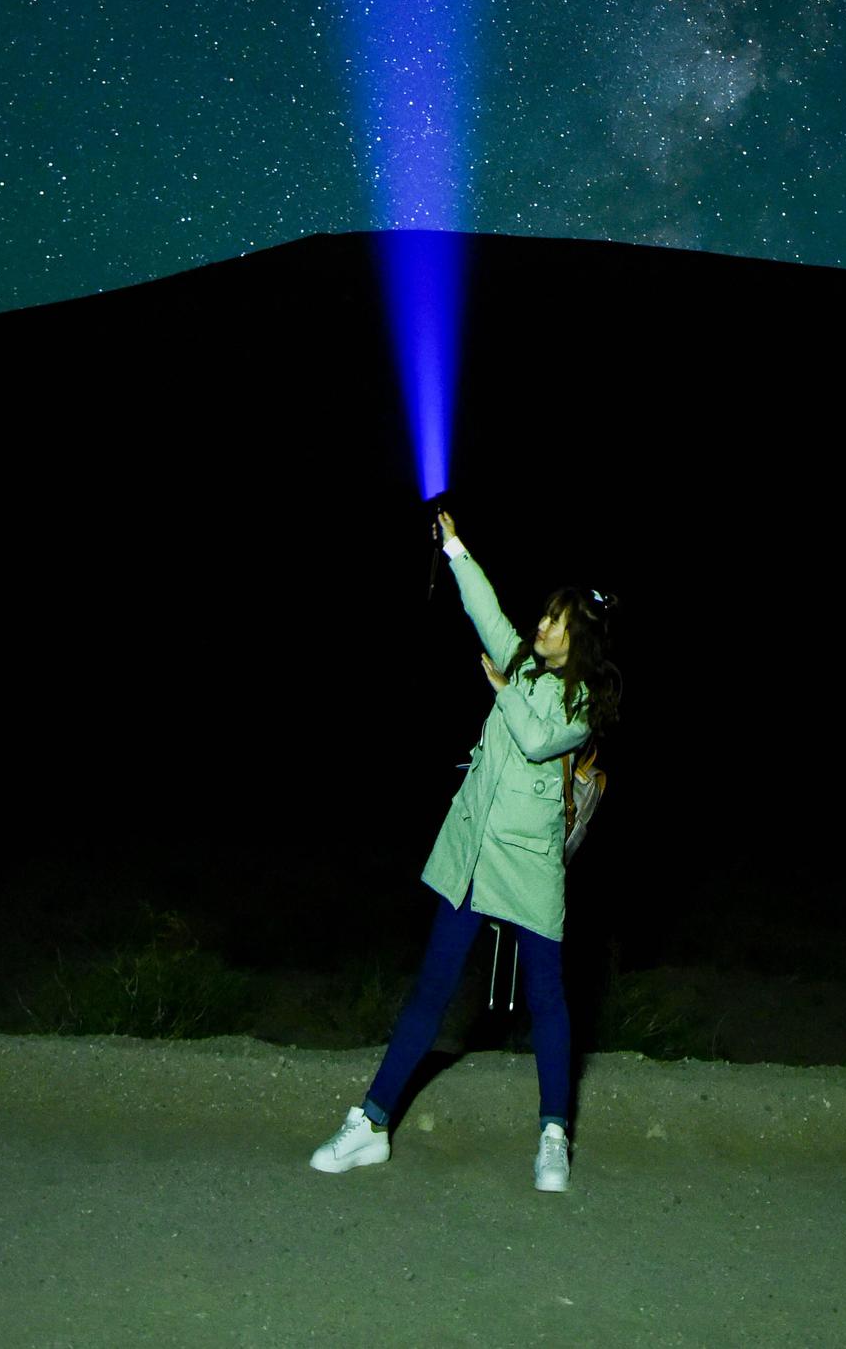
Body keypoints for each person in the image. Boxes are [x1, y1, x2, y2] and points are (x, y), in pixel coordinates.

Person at [310, 511, 620, 1194]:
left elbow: (541, 739)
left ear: (582, 638)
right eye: (542, 616)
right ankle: (372, 1121)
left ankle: (553, 1135)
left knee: (548, 999)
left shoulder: (585, 701)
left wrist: (506, 693)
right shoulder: (520, 661)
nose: (541, 628)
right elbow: (486, 610)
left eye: (557, 621)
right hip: (473, 852)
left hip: (530, 864)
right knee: (432, 987)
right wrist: (454, 547)